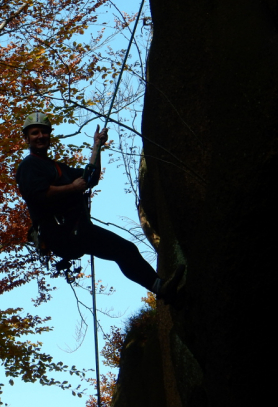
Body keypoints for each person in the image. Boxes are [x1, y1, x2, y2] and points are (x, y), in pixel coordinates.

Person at [16, 112, 184, 304]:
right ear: (26, 138)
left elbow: (90, 178)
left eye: (44, 132)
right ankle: (161, 288)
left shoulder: (57, 167)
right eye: (35, 133)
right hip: (61, 232)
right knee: (124, 249)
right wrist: (72, 188)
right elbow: (38, 195)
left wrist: (97, 146)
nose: (40, 136)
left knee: (124, 250)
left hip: (74, 230)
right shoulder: (29, 166)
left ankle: (165, 291)